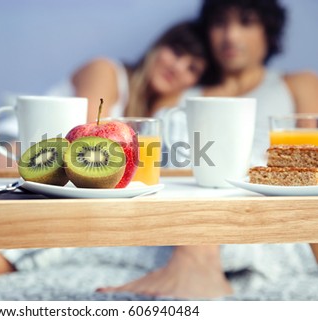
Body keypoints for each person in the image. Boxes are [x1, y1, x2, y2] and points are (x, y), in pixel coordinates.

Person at [0, 21, 210, 296]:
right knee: (32, 194)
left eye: (192, 68)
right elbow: (82, 136)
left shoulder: (151, 120)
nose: (178, 67)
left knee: (63, 220)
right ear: (157, 48)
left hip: (63, 165)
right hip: (22, 142)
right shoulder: (107, 71)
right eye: (175, 52)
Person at [96, 0, 318, 298]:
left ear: (268, 32)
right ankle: (195, 255)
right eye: (219, 24)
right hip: (181, 216)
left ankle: (196, 262)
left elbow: (309, 169)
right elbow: (157, 165)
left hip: (261, 207)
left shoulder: (297, 84)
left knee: (241, 152)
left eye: (245, 22)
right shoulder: (180, 95)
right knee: (187, 142)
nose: (230, 36)